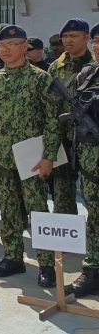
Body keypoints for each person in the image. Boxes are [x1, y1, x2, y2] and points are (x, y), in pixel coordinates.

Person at [0, 24, 60, 288]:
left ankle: (47, 264)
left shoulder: (40, 79)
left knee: (37, 209)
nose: (5, 50)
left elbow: (53, 121)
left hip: (32, 156)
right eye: (1, 46)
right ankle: (13, 256)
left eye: (11, 45)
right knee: (9, 210)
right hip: (3, 156)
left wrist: (49, 156)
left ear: (24, 46)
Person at [65, 23, 99, 296]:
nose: (98, 47)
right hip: (90, 155)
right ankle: (93, 269)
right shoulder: (86, 73)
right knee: (94, 213)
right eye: (97, 42)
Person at [48, 18, 92, 216]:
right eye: (65, 36)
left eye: (73, 36)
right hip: (63, 138)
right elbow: (49, 105)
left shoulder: (95, 65)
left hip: (89, 140)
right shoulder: (55, 67)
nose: (68, 40)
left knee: (91, 192)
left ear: (87, 38)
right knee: (62, 192)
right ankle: (65, 240)